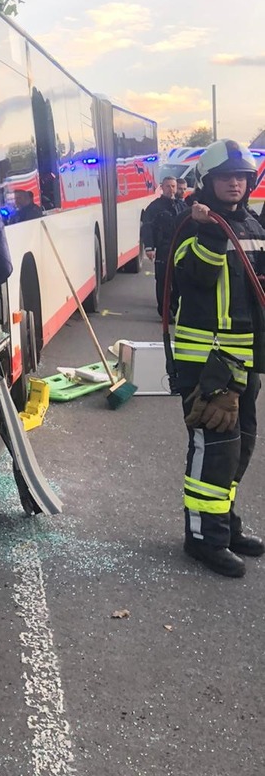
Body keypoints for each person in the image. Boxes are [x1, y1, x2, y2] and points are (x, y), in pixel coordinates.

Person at [170, 140, 265, 577]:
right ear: (206, 183)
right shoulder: (193, 227)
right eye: (226, 176)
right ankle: (203, 539)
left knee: (239, 447)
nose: (236, 183)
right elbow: (196, 278)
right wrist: (208, 226)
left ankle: (222, 525)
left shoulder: (251, 223)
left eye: (242, 176)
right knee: (213, 450)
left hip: (242, 362)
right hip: (208, 363)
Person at [141, 176, 188, 316]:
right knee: (163, 281)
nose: (171, 189)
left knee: (178, 283)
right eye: (168, 186)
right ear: (162, 187)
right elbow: (147, 227)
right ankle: (165, 311)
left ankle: (174, 308)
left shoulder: (182, 206)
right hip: (163, 249)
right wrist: (149, 247)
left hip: (179, 250)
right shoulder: (154, 207)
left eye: (173, 186)